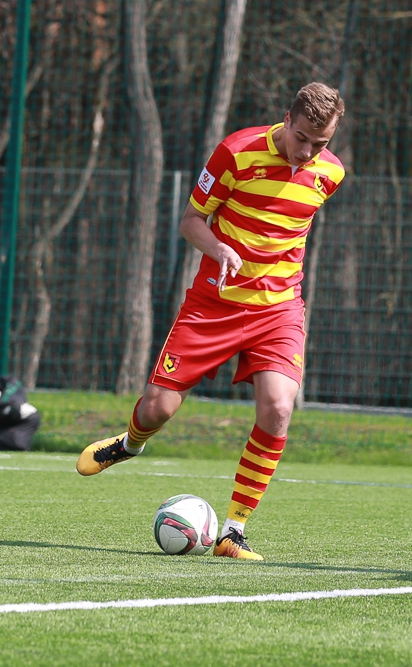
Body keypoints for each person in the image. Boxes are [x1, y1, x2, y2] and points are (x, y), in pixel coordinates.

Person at [76, 82, 347, 561]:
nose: (307, 152)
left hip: (278, 309)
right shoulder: (235, 153)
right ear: (286, 119)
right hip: (214, 304)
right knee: (157, 409)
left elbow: (289, 230)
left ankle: (233, 532)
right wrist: (219, 248)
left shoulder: (331, 173)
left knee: (278, 408)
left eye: (319, 143)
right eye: (301, 137)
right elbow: (190, 220)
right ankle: (130, 445)